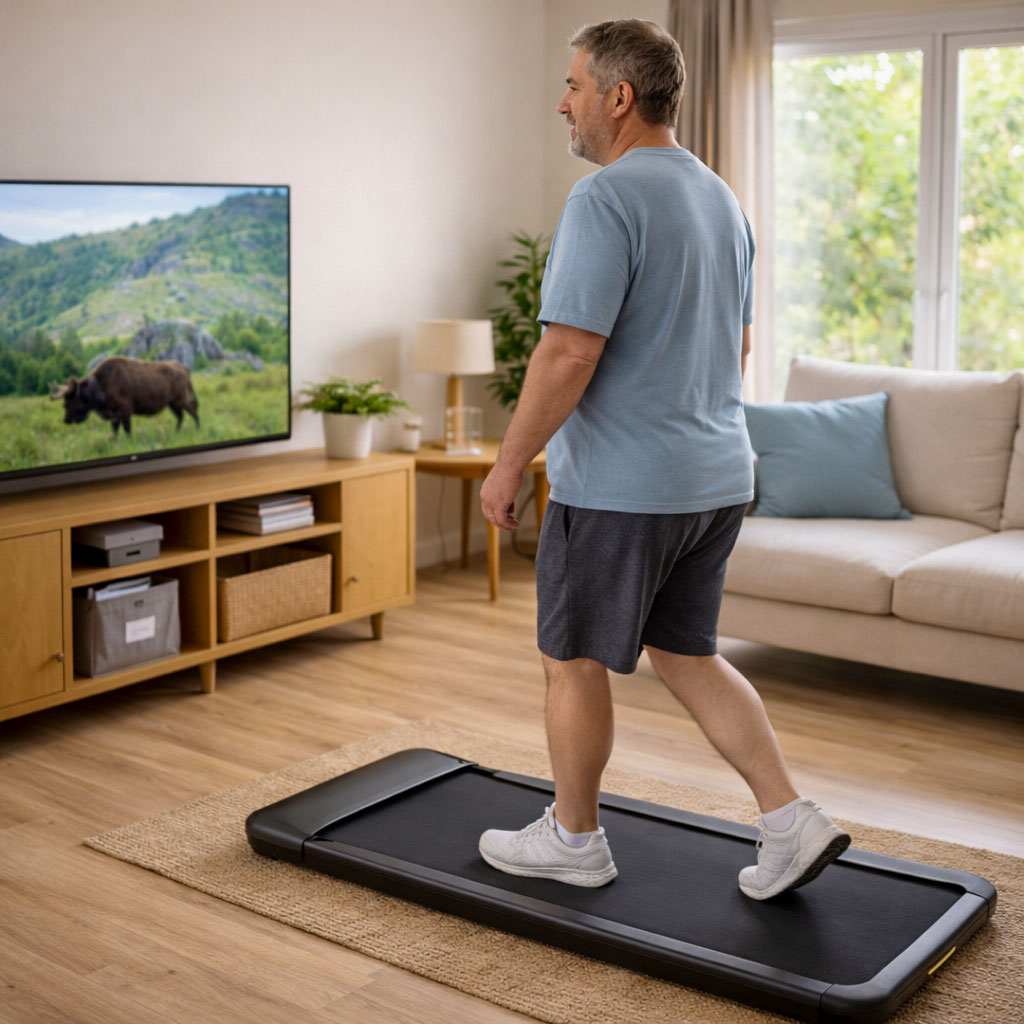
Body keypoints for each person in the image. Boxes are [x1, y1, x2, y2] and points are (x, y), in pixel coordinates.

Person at [477, 19, 849, 900]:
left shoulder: (603, 200)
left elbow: (569, 352)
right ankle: (789, 819)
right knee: (686, 654)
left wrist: (506, 464)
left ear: (619, 97)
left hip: (622, 489)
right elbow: (742, 342)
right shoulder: (721, 197)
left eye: (573, 86)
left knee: (572, 659)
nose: (560, 101)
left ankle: (574, 839)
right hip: (717, 478)